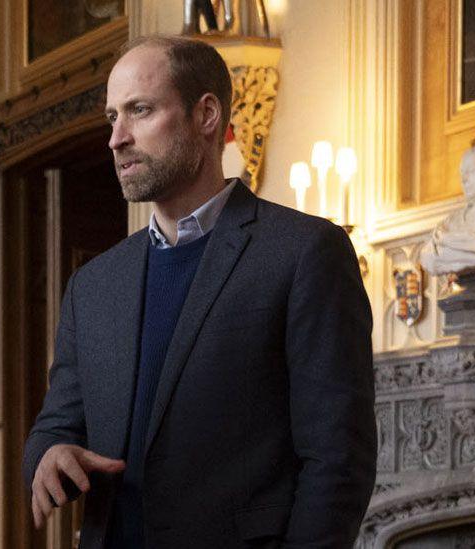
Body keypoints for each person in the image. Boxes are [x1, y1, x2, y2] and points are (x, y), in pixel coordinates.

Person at [23, 35, 376, 548]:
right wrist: (50, 454)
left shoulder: (304, 253)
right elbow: (54, 428)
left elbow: (338, 461)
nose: (116, 138)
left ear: (206, 114)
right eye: (112, 118)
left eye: (139, 111)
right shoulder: (93, 285)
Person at [420, 128, 475, 275]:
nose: (464, 179)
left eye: (471, 171)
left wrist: (451, 249)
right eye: (462, 173)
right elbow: (428, 257)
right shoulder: (450, 222)